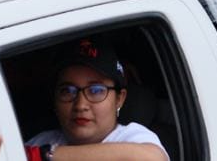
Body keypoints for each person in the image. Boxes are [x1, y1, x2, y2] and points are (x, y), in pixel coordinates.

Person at [25, 38, 168, 160]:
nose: (80, 105)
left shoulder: (132, 138)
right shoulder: (43, 141)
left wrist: (46, 155)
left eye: (96, 91)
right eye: (67, 91)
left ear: (120, 99)